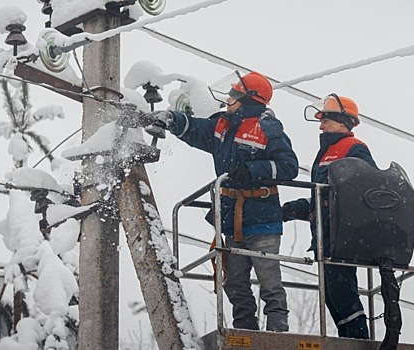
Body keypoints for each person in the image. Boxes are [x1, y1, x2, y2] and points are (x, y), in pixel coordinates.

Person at [150, 71, 298, 332]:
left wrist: (253, 172)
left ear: (248, 99)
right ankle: (245, 328)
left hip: (262, 217)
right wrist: (172, 119)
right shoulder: (223, 125)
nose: (228, 98)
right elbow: (196, 129)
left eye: (234, 94)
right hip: (232, 220)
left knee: (269, 280)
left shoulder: (267, 127)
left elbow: (289, 166)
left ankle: (277, 329)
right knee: (234, 282)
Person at [282, 94, 376, 339]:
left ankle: (357, 342)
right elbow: (322, 199)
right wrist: (296, 209)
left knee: (343, 294)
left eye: (325, 120)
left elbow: (367, 188)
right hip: (326, 237)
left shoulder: (354, 148)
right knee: (333, 297)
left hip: (341, 238)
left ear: (341, 122)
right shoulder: (326, 153)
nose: (321, 126)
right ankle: (349, 339)